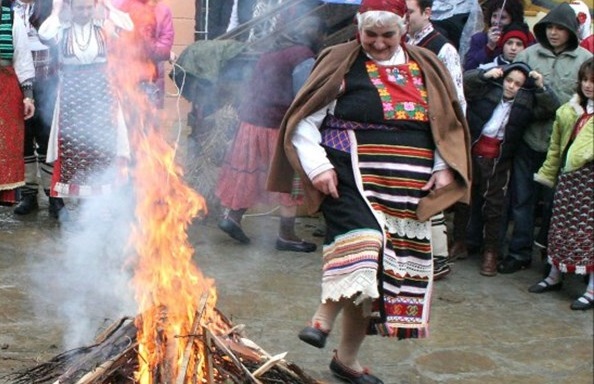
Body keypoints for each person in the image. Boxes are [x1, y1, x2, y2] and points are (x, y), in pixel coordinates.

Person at [267, 0, 471, 382]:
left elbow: (448, 121)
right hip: (348, 177)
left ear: (404, 30)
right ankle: (321, 320)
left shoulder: (427, 66)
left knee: (374, 278)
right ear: (358, 30)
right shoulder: (339, 62)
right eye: (370, 35)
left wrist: (445, 167)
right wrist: (318, 167)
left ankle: (346, 360)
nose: (378, 43)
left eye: (387, 35)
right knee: (364, 244)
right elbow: (303, 122)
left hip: (406, 190)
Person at [215, 14, 326, 252]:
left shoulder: (269, 53)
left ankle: (232, 218)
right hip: (277, 127)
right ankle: (287, 236)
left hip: (250, 123)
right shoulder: (302, 56)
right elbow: (304, 96)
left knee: (250, 173)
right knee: (288, 179)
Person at [497, 2, 591, 275]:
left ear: (571, 31)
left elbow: (579, 103)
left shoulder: (584, 59)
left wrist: (546, 99)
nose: (553, 33)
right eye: (549, 27)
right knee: (522, 200)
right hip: (528, 139)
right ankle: (519, 252)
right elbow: (515, 92)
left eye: (560, 28)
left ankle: (552, 258)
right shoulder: (528, 55)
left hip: (563, 144)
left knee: (555, 205)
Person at [456, 62, 559, 276]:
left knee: (495, 207)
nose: (511, 86)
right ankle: (460, 241)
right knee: (464, 199)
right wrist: (485, 74)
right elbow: (464, 83)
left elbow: (551, 108)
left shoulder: (525, 105)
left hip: (499, 159)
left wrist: (541, 86)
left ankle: (490, 252)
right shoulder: (488, 91)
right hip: (473, 151)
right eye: (509, 81)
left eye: (518, 84)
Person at [38, 0, 133, 201]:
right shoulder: (62, 29)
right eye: (80, 8)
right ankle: (73, 203)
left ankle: (103, 200)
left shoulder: (104, 26)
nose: (85, 12)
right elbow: (44, 34)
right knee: (73, 145)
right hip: (72, 96)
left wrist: (108, 6)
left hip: (101, 95)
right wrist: (56, 10)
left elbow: (128, 26)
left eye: (89, 7)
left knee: (103, 146)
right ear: (70, 8)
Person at [405, 0, 467, 280]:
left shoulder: (443, 48)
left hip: (432, 132)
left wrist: (447, 144)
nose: (404, 17)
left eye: (410, 12)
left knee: (429, 193)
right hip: (407, 130)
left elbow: (457, 101)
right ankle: (421, 258)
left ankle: (438, 259)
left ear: (427, 13)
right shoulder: (400, 41)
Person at [528, 58, 593, 311]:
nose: (588, 86)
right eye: (585, 80)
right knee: (559, 227)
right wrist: (550, 171)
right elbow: (556, 146)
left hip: (590, 180)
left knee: (590, 235)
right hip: (568, 179)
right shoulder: (569, 110)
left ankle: (591, 289)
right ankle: (554, 275)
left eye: (593, 81)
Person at [11, 0, 65, 218]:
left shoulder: (51, 5)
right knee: (24, 140)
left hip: (47, 80)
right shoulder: (9, 7)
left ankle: (53, 195)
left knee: (47, 139)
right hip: (17, 84)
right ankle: (29, 194)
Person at [0, 0, 35, 205]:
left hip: (6, 90)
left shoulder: (13, 19)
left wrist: (28, 96)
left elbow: (22, 59)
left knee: (4, 146)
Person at [111, 0, 174, 108]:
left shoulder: (163, 11)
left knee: (149, 119)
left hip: (152, 78)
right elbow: (117, 43)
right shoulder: (124, 6)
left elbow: (164, 45)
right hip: (126, 78)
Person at [463, 0, 529, 71]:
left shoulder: (523, 38)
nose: (496, 22)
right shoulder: (479, 39)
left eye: (503, 18)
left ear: (513, 19)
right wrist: (489, 47)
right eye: (494, 16)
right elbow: (469, 68)